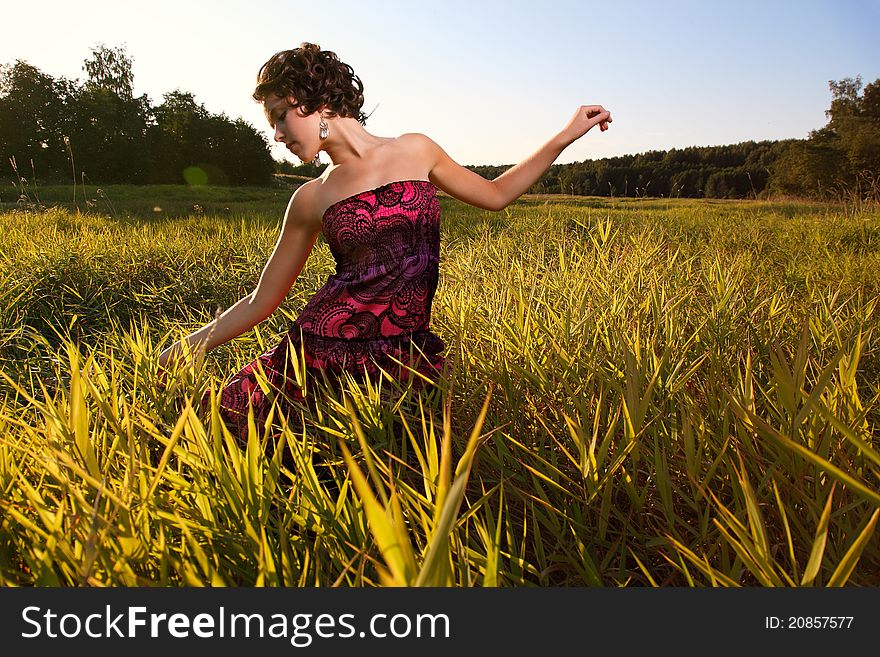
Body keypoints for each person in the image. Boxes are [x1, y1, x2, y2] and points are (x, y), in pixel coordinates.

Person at [157, 42, 612, 442]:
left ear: (310, 103)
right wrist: (192, 345)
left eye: (279, 117)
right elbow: (263, 299)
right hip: (324, 352)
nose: (276, 135)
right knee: (240, 440)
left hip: (405, 349)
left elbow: (496, 194)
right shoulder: (310, 197)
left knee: (407, 468)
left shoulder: (415, 149)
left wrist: (566, 135)